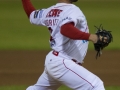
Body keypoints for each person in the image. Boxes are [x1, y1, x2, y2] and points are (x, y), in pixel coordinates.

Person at [21, 0, 105, 90]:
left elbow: (31, 14)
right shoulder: (72, 10)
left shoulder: (50, 11)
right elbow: (65, 29)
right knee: (96, 85)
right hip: (62, 62)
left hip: (55, 60)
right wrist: (92, 37)